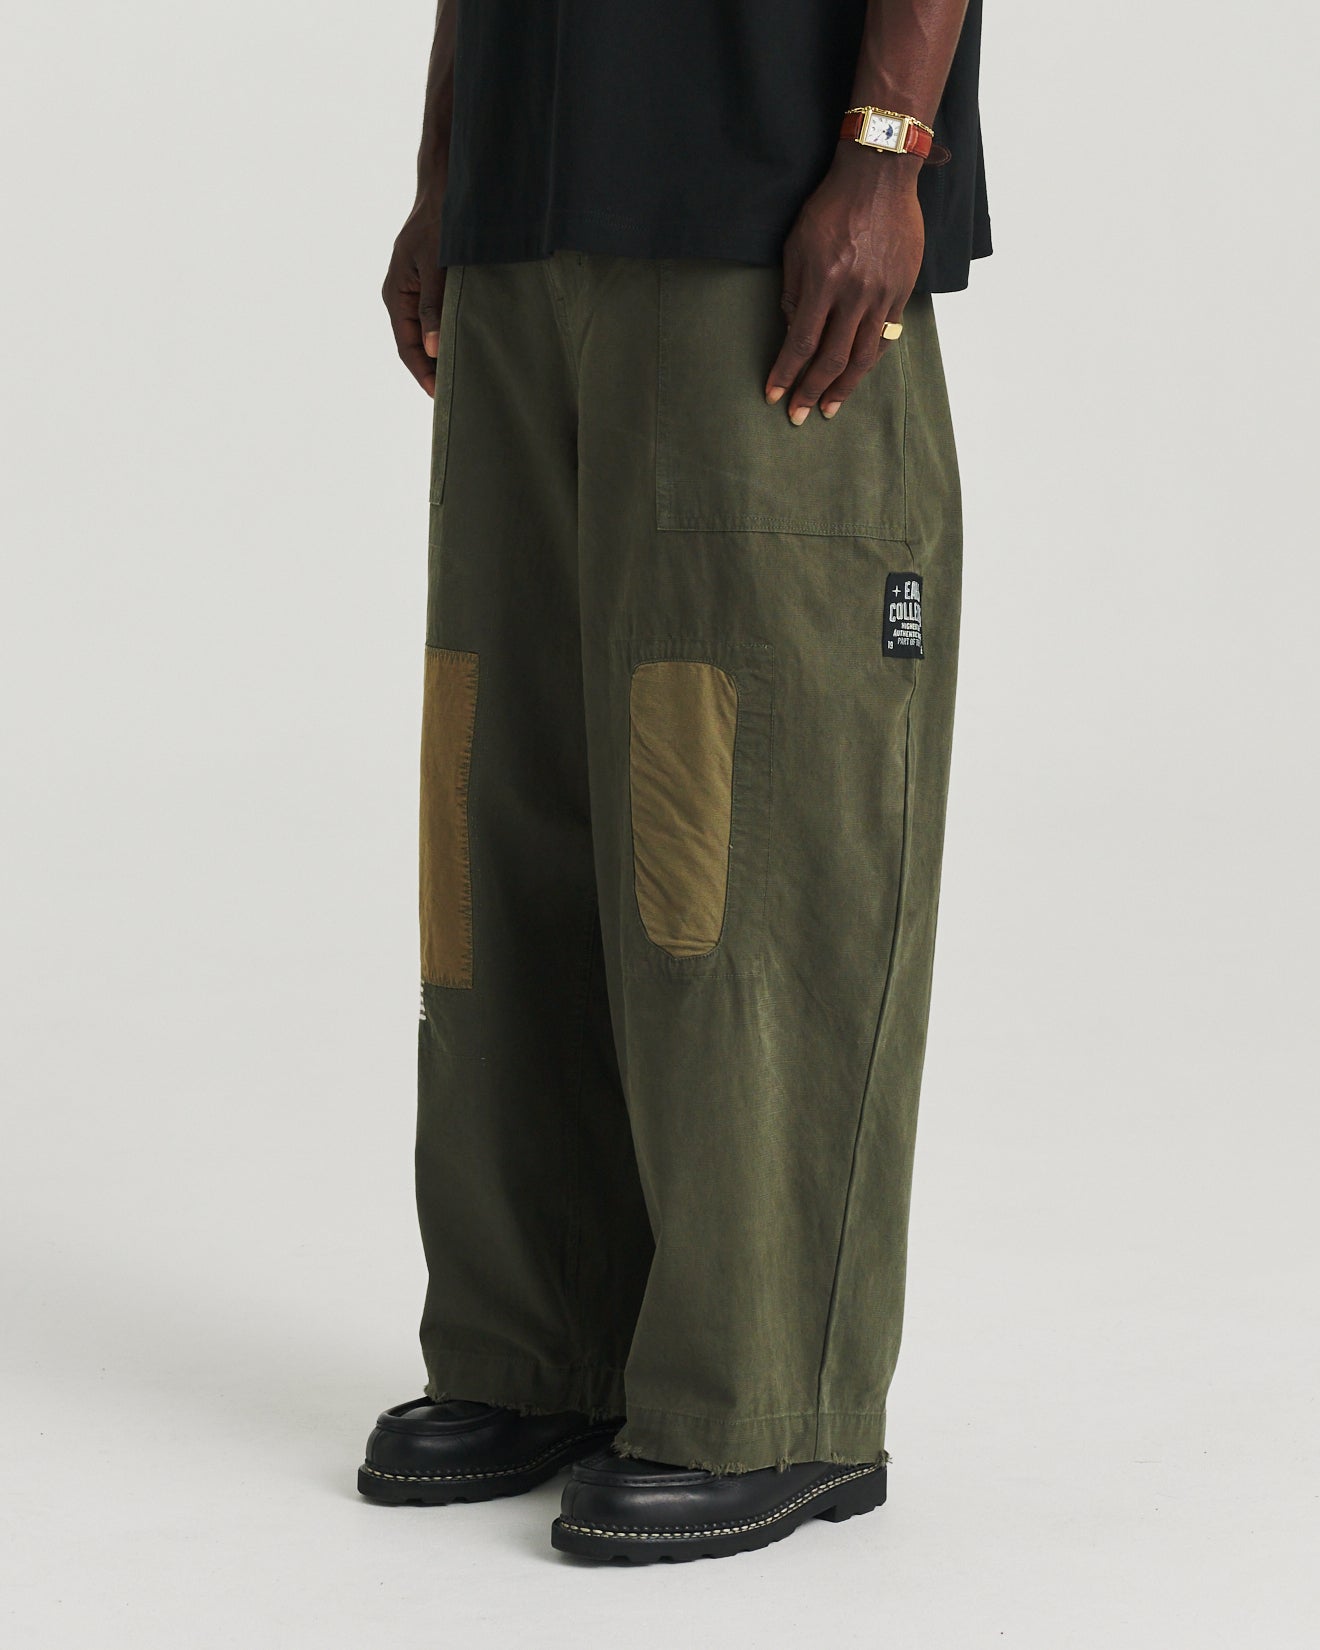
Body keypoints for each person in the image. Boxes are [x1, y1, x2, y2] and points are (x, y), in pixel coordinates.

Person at [359, 0, 990, 1564]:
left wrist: (887, 152)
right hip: (526, 207)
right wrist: (447, 171)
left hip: (761, 202)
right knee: (501, 807)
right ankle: (538, 1346)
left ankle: (769, 1395)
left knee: (744, 826)